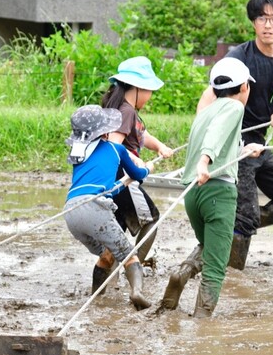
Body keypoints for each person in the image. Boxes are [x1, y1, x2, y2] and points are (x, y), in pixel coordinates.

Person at [192, 0, 273, 274]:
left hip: (260, 146)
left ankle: (225, 232)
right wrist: (205, 140)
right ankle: (230, 277)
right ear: (253, 22)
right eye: (262, 18)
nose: (268, 25)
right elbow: (208, 99)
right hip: (237, 146)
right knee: (244, 216)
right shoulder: (238, 56)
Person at [157, 58, 262, 317]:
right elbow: (215, 137)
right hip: (218, 191)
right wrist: (205, 161)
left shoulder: (206, 112)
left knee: (209, 246)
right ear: (245, 87)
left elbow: (218, 137)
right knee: (217, 264)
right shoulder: (235, 107)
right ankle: (203, 328)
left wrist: (243, 149)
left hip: (194, 193)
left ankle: (182, 272)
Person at [63, 105, 154, 311]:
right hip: (95, 207)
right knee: (129, 255)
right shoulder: (116, 148)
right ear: (105, 131)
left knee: (107, 254)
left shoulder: (78, 153)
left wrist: (119, 183)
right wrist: (148, 168)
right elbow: (138, 175)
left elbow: (92, 184)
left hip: (70, 211)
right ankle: (137, 292)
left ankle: (96, 297)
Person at [100, 56, 173, 285]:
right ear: (138, 88)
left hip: (114, 179)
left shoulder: (123, 109)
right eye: (149, 90)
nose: (150, 96)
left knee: (116, 233)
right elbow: (114, 144)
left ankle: (104, 289)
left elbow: (141, 135)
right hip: (125, 178)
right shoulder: (126, 111)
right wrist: (136, 161)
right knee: (151, 219)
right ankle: (134, 269)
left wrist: (160, 146)